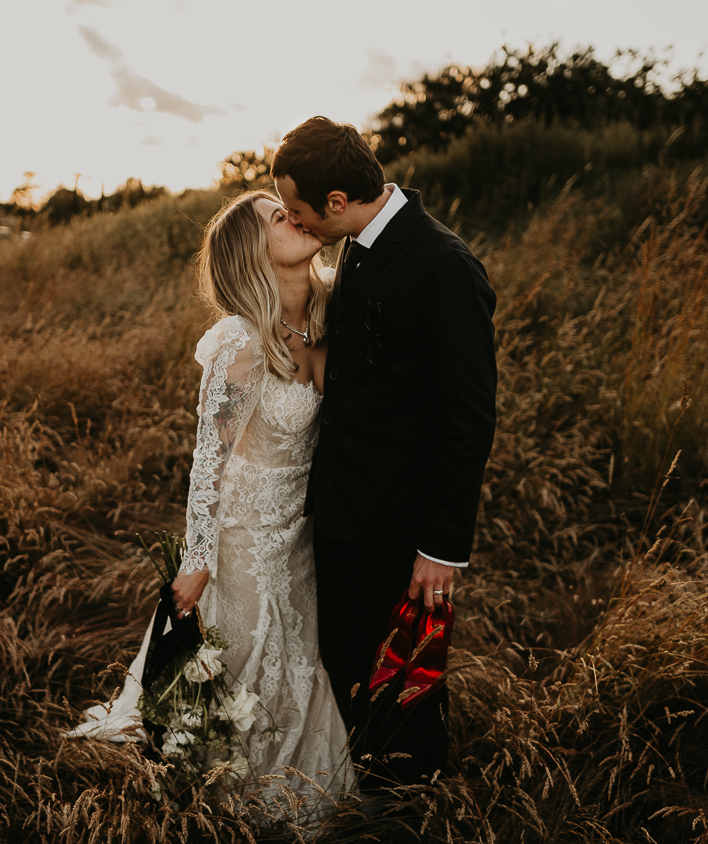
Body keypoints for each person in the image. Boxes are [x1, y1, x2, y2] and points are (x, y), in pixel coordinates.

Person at [71, 189, 355, 817]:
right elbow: (209, 463)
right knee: (242, 658)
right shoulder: (239, 342)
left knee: (301, 660)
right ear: (252, 253)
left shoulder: (338, 306)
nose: (297, 215)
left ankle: (303, 793)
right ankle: (222, 801)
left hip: (300, 530)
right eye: (278, 217)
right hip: (243, 536)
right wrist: (197, 558)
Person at [272, 116, 498, 793]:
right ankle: (360, 794)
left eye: (300, 210)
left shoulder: (443, 265)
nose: (296, 221)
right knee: (346, 664)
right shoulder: (356, 248)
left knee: (405, 685)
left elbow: (469, 417)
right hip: (342, 513)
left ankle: (409, 811)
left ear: (337, 204)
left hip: (403, 530)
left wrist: (442, 547)